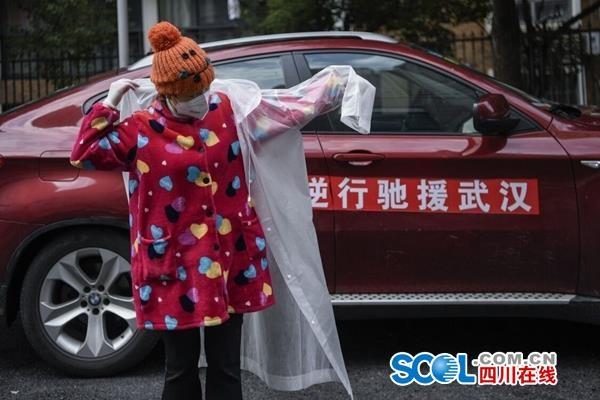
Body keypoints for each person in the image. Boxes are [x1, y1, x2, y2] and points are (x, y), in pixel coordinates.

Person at [70, 20, 375, 400]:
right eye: (190, 92)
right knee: (180, 370)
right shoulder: (140, 130)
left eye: (203, 87)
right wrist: (111, 100)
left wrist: (337, 84)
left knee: (226, 367)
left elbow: (287, 109)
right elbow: (84, 153)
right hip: (173, 263)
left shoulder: (228, 109)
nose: (200, 97)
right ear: (167, 93)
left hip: (230, 258)